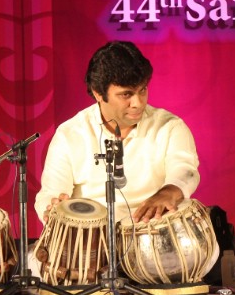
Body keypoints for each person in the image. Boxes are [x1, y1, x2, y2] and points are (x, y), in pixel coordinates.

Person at [35, 41, 200, 227]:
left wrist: (168, 192)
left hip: (152, 232)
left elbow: (186, 171)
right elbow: (50, 193)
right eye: (126, 94)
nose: (138, 103)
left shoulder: (169, 127)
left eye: (142, 90)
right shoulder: (70, 134)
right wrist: (53, 207)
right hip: (94, 239)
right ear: (98, 93)